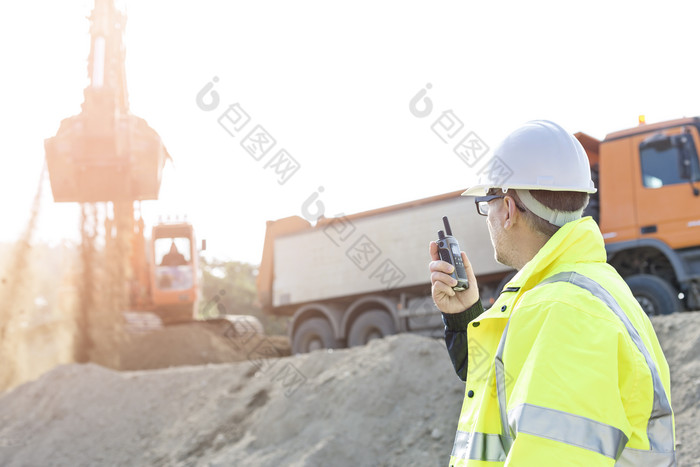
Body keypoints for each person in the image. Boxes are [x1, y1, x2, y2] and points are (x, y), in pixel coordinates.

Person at [428, 120, 676, 466]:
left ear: (509, 209)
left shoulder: (561, 311)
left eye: (488, 203)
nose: (488, 216)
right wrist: (465, 315)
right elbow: (505, 388)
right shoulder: (591, 287)